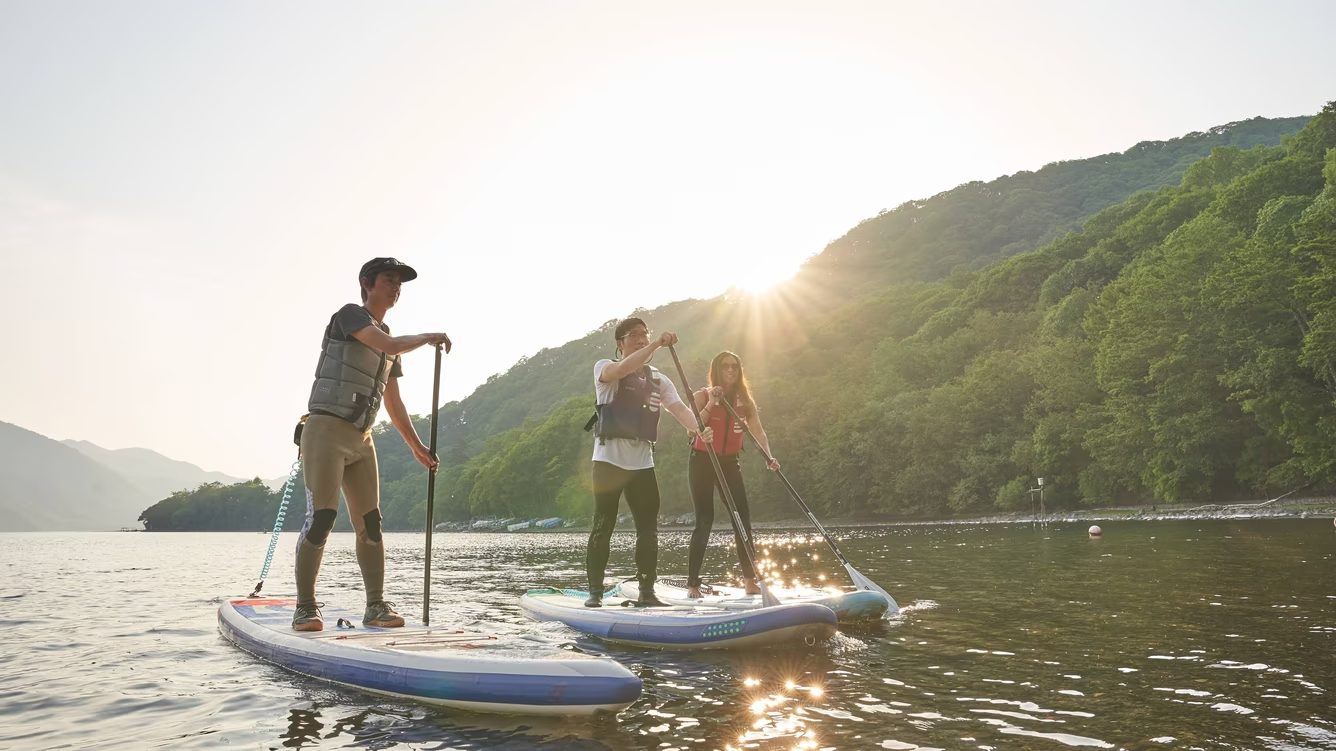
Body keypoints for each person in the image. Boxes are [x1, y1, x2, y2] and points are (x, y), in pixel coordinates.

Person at [292, 257, 452, 632]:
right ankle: (305, 606)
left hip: (363, 440)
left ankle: (376, 606)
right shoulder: (349, 316)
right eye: (388, 280)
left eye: (399, 283)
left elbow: (392, 400)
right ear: (367, 283)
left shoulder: (390, 336)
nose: (395, 288)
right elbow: (389, 343)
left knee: (372, 523)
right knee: (322, 519)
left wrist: (416, 446)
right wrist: (429, 337)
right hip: (325, 431)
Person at [585, 317, 711, 608]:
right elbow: (624, 368)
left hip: (642, 463)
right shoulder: (604, 368)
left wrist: (698, 429)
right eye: (635, 336)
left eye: (646, 335)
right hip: (608, 461)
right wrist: (655, 344)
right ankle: (594, 592)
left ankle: (646, 591)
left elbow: (679, 409)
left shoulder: (658, 379)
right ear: (620, 343)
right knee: (603, 525)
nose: (642, 339)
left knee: (648, 529)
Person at [685, 351, 779, 600]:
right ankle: (693, 584)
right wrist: (711, 403)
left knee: (742, 520)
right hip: (703, 461)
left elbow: (758, 432)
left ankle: (750, 580)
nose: (730, 370)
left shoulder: (745, 401)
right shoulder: (702, 395)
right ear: (716, 369)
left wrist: (769, 457)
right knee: (704, 520)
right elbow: (690, 428)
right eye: (725, 366)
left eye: (734, 367)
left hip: (729, 463)